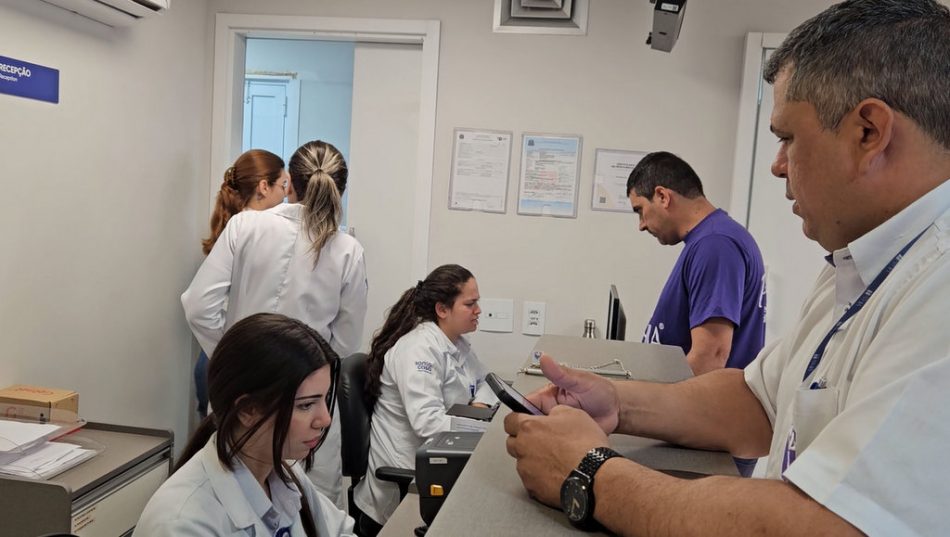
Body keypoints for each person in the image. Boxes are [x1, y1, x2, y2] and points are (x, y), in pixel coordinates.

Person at [504, 1, 950, 535]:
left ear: (869, 133)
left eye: (788, 138)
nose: (778, 165)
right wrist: (617, 403)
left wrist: (589, 474)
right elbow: (757, 401)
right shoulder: (854, 266)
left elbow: (831, 527)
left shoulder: (938, 291)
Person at [182, 139, 369, 508]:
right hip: (307, 401)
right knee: (306, 510)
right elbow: (346, 342)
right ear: (341, 190)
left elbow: (199, 307)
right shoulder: (348, 249)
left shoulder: (244, 226)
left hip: (243, 395)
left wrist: (237, 361)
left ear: (290, 184)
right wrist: (304, 368)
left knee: (227, 504)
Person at [134, 313, 355, 537]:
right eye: (306, 405)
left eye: (326, 398)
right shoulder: (181, 524)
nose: (325, 419)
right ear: (247, 410)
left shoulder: (284, 474)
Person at [352, 264, 499, 534]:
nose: (478, 310)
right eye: (470, 304)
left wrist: (478, 407)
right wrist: (482, 428)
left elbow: (487, 383)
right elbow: (428, 423)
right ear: (442, 309)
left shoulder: (455, 342)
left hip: (438, 465)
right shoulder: (418, 350)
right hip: (404, 488)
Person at [629, 152, 766, 377]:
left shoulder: (715, 244)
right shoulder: (707, 240)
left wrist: (647, 397)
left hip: (703, 399)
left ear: (662, 196)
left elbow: (711, 355)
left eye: (640, 210)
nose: (641, 225)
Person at [194, 149, 291, 420]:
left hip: (215, 356)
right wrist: (233, 347)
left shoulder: (238, 226)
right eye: (283, 185)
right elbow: (198, 306)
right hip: (232, 356)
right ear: (264, 187)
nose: (286, 195)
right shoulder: (251, 229)